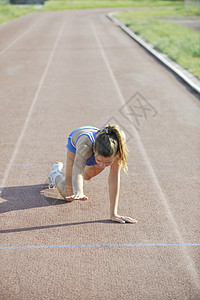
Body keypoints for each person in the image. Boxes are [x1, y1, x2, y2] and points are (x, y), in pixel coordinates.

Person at [48, 125, 137, 224]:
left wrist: (114, 214)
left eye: (108, 163)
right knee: (68, 194)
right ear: (94, 151)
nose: (103, 166)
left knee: (87, 176)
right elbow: (77, 170)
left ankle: (98, 162)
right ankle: (55, 173)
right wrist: (79, 192)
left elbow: (114, 178)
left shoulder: (118, 146)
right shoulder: (85, 146)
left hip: (102, 144)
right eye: (99, 160)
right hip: (77, 142)